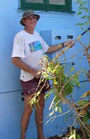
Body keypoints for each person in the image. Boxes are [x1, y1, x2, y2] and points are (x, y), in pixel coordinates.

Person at [11, 10, 74, 139]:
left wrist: (63, 44)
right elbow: (15, 60)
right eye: (29, 18)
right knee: (28, 110)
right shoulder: (20, 36)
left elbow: (47, 49)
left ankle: (41, 136)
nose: (33, 20)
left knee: (40, 108)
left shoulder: (37, 35)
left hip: (42, 77)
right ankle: (22, 137)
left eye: (34, 18)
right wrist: (33, 72)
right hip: (29, 78)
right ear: (24, 21)